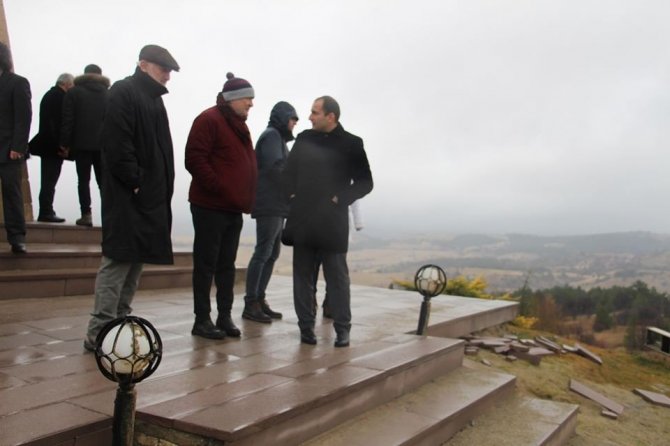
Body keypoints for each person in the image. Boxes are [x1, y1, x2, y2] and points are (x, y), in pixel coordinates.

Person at [84, 44, 179, 351]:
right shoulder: (123, 92)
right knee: (117, 260)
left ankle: (119, 326)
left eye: (169, 71)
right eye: (163, 69)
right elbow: (116, 143)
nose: (167, 76)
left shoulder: (154, 100)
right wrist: (136, 182)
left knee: (135, 260)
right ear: (143, 64)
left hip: (148, 196)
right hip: (128, 196)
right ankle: (99, 332)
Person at [282, 96, 373, 347]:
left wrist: (340, 199)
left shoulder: (352, 143)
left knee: (337, 280)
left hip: (332, 222)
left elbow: (366, 182)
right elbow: (288, 174)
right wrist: (292, 196)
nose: (309, 117)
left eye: (315, 112)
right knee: (302, 278)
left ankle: (343, 329)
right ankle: (305, 328)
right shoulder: (304, 139)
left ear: (330, 116)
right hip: (303, 220)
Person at [185, 72, 258, 340]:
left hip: (232, 207)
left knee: (227, 265)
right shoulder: (209, 119)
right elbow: (194, 158)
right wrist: (218, 187)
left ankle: (224, 316)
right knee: (206, 265)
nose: (251, 104)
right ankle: (202, 319)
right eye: (247, 98)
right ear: (232, 99)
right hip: (210, 205)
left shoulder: (239, 125)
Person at [243, 101, 298, 324]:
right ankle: (251, 303)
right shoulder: (272, 136)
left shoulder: (278, 139)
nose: (294, 123)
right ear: (283, 118)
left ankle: (259, 298)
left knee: (271, 254)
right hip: (269, 204)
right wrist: (293, 188)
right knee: (263, 253)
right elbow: (276, 168)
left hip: (277, 205)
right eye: (292, 118)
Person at [60, 63, 110, 226]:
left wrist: (64, 144)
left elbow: (68, 120)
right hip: (103, 146)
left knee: (83, 181)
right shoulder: (109, 94)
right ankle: (108, 216)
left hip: (81, 145)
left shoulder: (74, 93)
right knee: (104, 183)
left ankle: (86, 215)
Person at [29, 73, 74, 223]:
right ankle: (46, 211)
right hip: (53, 147)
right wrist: (62, 145)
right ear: (67, 84)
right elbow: (57, 124)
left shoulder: (49, 95)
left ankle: (46, 210)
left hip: (47, 145)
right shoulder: (59, 98)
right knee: (49, 181)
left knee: (48, 180)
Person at [0, 41, 31, 254]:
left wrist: (18, 146)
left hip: (9, 149)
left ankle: (17, 237)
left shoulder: (17, 82)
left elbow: (24, 117)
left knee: (12, 193)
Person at [315, 200, 364, 318]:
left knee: (335, 269)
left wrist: (358, 221)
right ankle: (311, 300)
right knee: (313, 267)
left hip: (338, 228)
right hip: (314, 223)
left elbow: (354, 197)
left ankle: (330, 302)